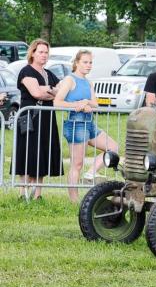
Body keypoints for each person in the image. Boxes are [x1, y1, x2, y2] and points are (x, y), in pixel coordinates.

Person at [54, 50, 119, 203]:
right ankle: (74, 201)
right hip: (76, 123)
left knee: (113, 148)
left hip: (89, 123)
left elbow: (95, 103)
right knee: (77, 164)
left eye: (90, 62)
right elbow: (57, 102)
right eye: (85, 62)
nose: (88, 65)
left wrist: (87, 103)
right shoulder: (70, 80)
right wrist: (77, 105)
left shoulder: (89, 82)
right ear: (77, 63)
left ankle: (90, 173)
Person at [12, 39, 63, 200]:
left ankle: (38, 195)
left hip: (47, 118)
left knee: (43, 152)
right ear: (33, 53)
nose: (44, 55)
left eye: (46, 52)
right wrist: (50, 90)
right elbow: (36, 94)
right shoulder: (26, 71)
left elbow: (62, 92)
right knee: (27, 152)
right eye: (40, 52)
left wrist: (48, 89)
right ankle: (22, 193)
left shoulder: (49, 74)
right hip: (30, 117)